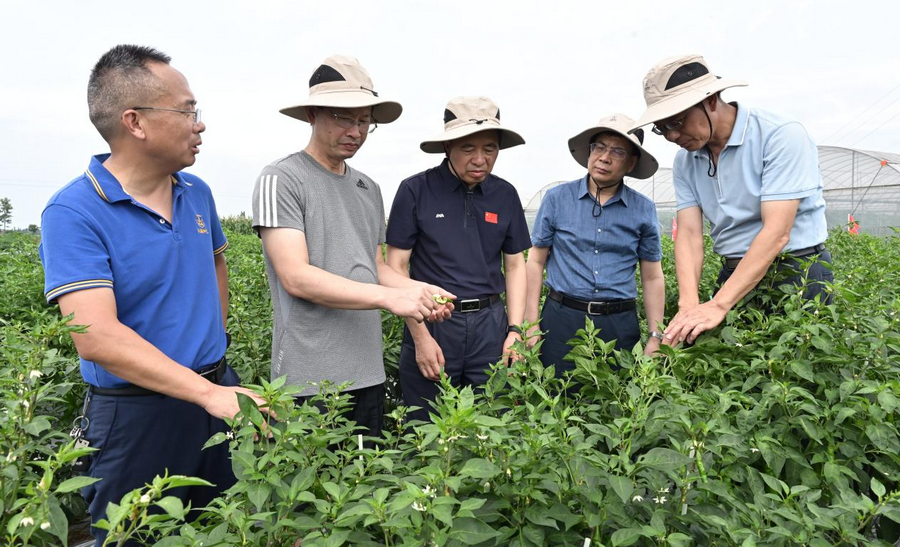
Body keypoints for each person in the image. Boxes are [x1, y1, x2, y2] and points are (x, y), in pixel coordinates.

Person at [39, 45, 264, 544]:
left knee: (231, 527)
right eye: (187, 110)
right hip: (138, 414)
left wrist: (213, 351)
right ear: (135, 122)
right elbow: (96, 337)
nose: (199, 124)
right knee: (137, 535)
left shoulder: (196, 191)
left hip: (216, 392)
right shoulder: (74, 211)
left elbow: (216, 262)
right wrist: (207, 392)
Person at [252, 55, 453, 438]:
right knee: (312, 476)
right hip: (308, 378)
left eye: (364, 121)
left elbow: (375, 267)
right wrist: (389, 298)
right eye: (344, 118)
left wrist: (419, 291)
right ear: (312, 114)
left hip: (367, 371)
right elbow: (295, 277)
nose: (356, 131)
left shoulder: (368, 188)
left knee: (366, 472)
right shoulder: (282, 178)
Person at [631, 54, 832, 345]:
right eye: (662, 128)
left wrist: (718, 304)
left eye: (677, 121)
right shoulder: (685, 161)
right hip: (734, 272)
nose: (672, 136)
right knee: (718, 356)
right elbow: (689, 234)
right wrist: (688, 304)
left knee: (796, 358)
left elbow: (776, 232)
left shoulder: (779, 136)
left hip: (796, 272)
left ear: (711, 100)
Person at [385, 96, 531, 422]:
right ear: (447, 146)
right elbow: (396, 268)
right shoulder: (415, 191)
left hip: (490, 325)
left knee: (492, 422)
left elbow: (515, 265)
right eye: (468, 149)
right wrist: (420, 337)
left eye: (490, 149)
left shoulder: (505, 194)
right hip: (434, 321)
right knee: (426, 424)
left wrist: (515, 330)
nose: (480, 159)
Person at [525, 114, 665, 375]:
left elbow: (652, 277)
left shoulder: (643, 209)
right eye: (599, 147)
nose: (604, 157)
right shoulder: (557, 199)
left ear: (632, 163)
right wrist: (531, 323)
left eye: (617, 151)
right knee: (558, 390)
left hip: (619, 323)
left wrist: (656, 335)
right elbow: (535, 261)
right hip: (562, 318)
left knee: (617, 394)